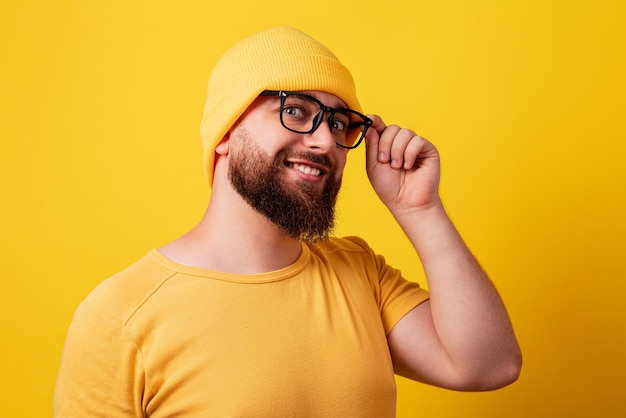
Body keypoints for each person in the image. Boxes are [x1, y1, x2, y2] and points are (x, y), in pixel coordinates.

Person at [54, 26, 521, 417]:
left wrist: (419, 210)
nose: (325, 142)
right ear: (226, 133)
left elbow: (489, 366)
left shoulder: (360, 273)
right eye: (295, 110)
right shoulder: (120, 318)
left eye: (340, 123)